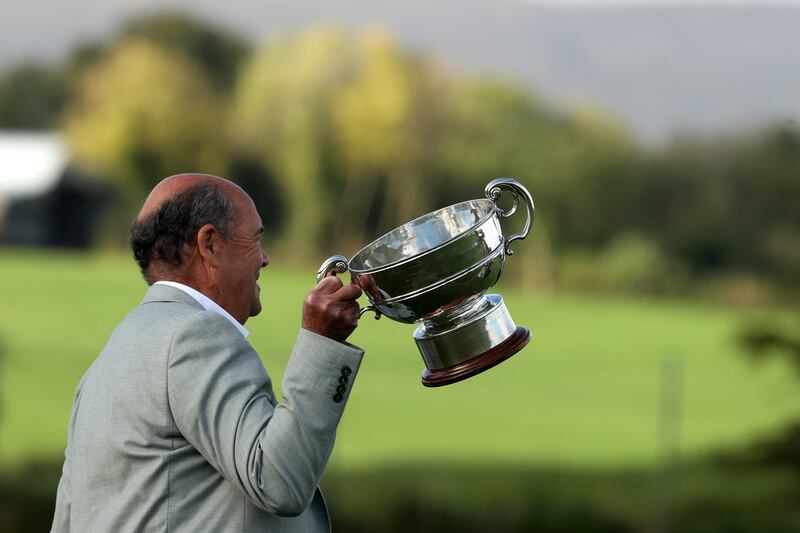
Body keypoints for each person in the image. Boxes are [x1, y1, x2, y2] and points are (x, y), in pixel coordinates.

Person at [51, 173, 364, 532]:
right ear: (210, 244)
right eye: (255, 240)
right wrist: (322, 341)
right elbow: (279, 482)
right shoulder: (195, 334)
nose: (265, 259)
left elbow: (67, 519)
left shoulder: (107, 361)